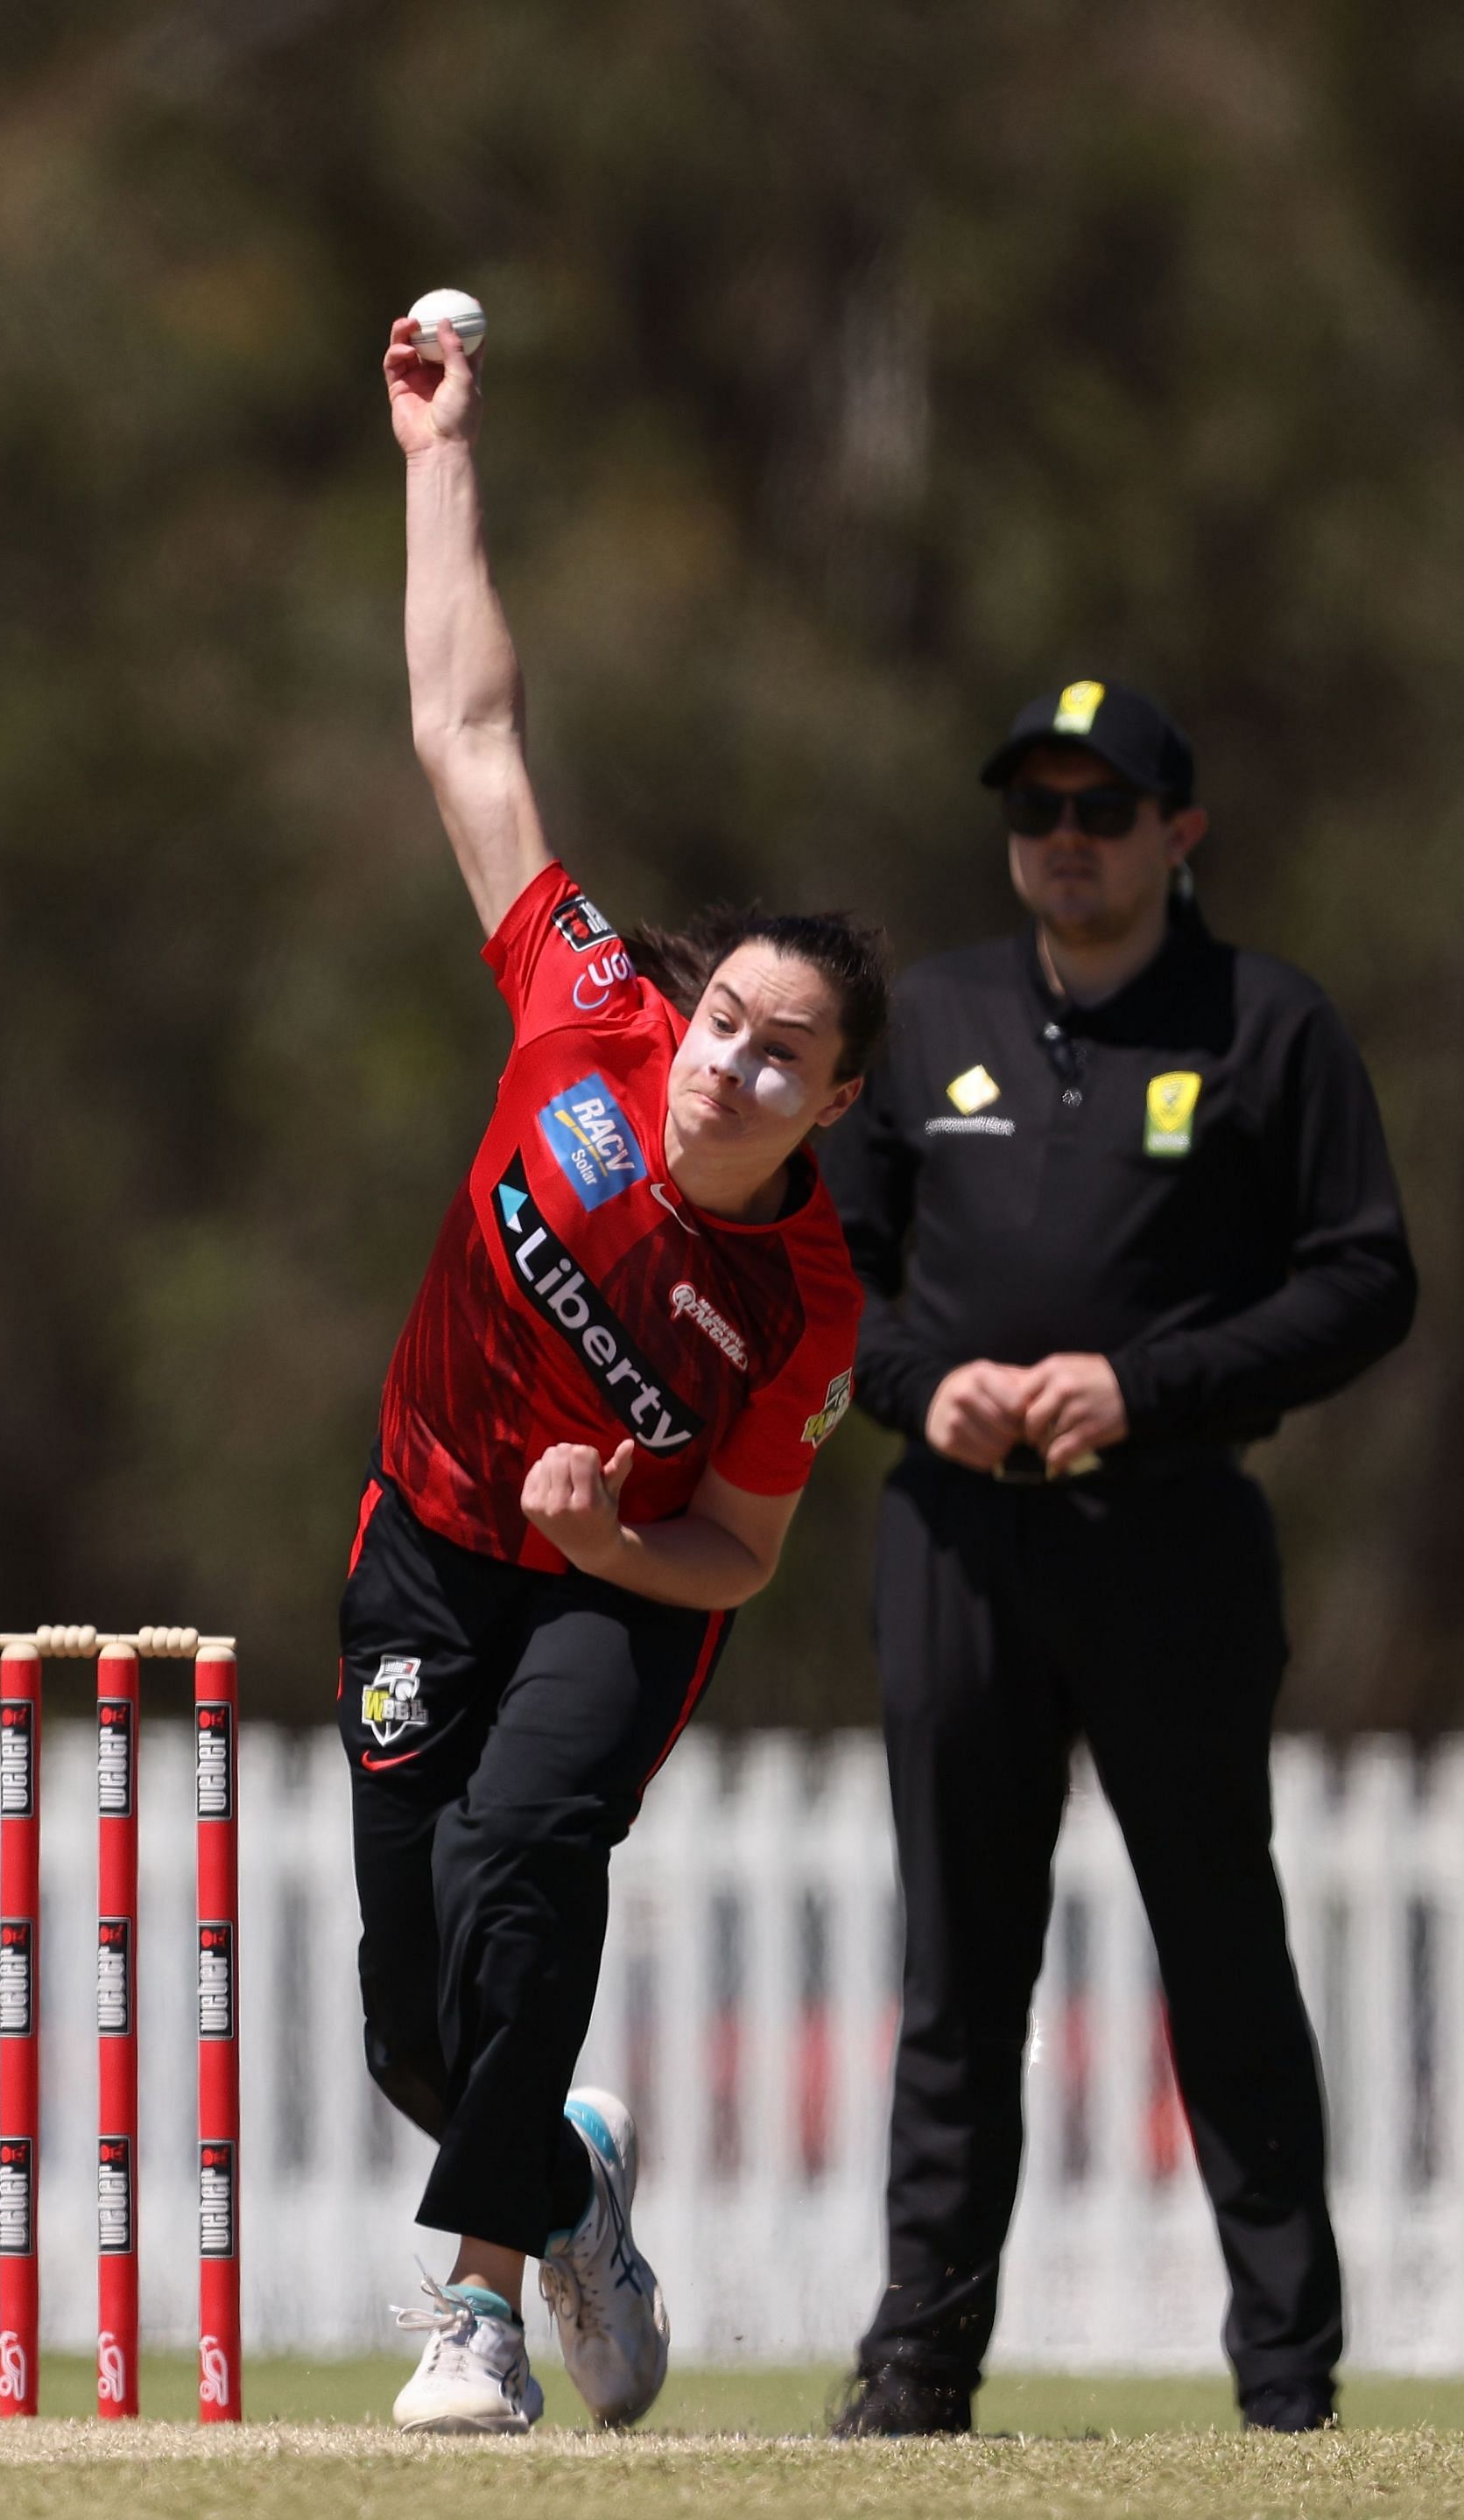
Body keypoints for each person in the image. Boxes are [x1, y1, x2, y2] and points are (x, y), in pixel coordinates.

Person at [344, 309, 887, 2436]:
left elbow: (743, 1553)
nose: (729, 1061)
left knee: (530, 1856)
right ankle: (567, 2183)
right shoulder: (583, 1008)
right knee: (416, 2020)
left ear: (832, 1100)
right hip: (421, 1539)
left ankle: (473, 2316)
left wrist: (609, 1537)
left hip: (613, 1587)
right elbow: (466, 727)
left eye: (782, 1053)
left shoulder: (806, 1301)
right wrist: (437, 451)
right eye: (725, 1016)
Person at [820, 677, 1417, 2439]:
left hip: (1172, 1541)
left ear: (1181, 834)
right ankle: (919, 2367)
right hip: (958, 1544)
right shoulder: (928, 1023)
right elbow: (822, 1281)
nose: (1064, 844)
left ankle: (1289, 2385)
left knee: (1223, 1954)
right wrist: (925, 1392)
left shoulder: (1267, 1028)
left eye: (1102, 812)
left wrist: (1138, 1389)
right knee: (957, 1977)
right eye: (1036, 813)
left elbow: (1365, 1279)